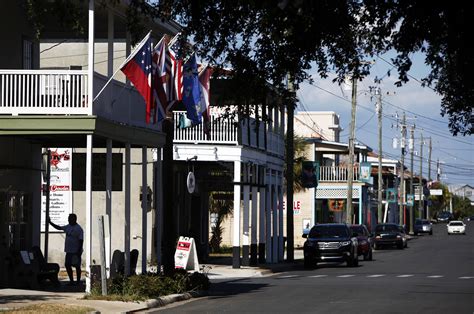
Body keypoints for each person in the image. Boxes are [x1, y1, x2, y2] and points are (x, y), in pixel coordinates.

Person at [48, 213, 83, 285]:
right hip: (68, 251)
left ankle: (78, 282)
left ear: (74, 219)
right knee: (67, 265)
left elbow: (81, 240)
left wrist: (79, 250)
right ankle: (72, 281)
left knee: (77, 266)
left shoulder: (78, 229)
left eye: (69, 218)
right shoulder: (68, 227)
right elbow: (59, 228)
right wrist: (50, 222)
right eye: (68, 218)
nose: (68, 220)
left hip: (75, 251)